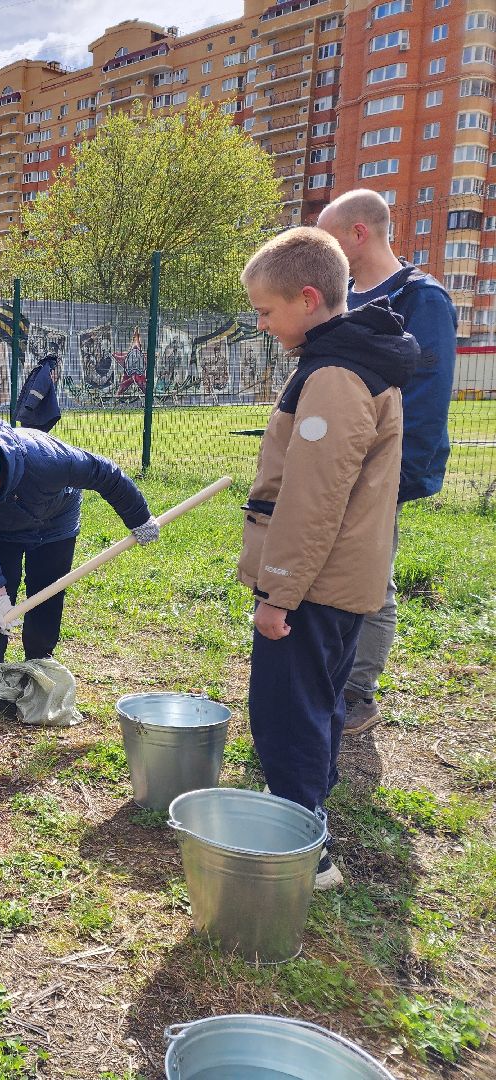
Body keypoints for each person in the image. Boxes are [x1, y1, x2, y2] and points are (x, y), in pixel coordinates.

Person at [239, 227, 415, 890]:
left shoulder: (336, 377)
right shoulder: (346, 360)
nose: (260, 324)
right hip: (338, 577)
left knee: (286, 709)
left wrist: (278, 593)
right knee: (315, 700)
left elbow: (312, 500)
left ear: (308, 298)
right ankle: (306, 805)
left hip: (314, 583)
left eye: (265, 311)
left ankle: (301, 848)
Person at [317, 189, 458, 736]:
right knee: (328, 565)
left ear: (359, 233)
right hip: (337, 459)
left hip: (383, 464)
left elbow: (427, 393)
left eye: (332, 236)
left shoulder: (420, 299)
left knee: (370, 573)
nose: (326, 248)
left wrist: (393, 474)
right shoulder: (346, 294)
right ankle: (330, 672)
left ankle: (358, 693)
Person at [0, 416, 158, 673]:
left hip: (55, 520)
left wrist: (139, 518)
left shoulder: (48, 461)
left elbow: (102, 472)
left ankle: (39, 664)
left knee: (46, 592)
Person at [14, 354, 62, 433]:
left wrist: (30, 405)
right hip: (34, 413)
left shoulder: (42, 369)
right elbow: (39, 388)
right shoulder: (45, 369)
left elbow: (39, 388)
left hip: (32, 413)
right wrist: (30, 405)